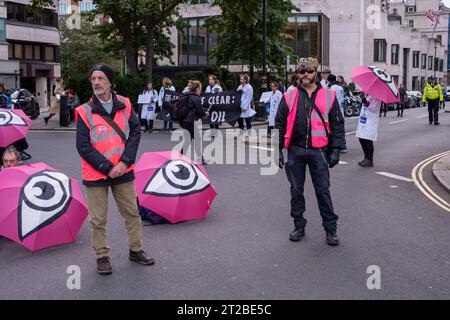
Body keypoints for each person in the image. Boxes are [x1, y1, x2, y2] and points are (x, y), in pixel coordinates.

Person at [76, 63, 154, 275]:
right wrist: (108, 167)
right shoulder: (83, 111)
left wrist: (124, 162)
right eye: (93, 79)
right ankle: (102, 256)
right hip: (96, 174)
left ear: (110, 82)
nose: (96, 82)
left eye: (101, 78)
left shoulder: (126, 104)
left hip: (123, 170)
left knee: (132, 212)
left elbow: (135, 133)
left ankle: (135, 249)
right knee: (98, 219)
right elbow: (83, 146)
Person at [275, 57, 345, 246]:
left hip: (319, 151)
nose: (305, 75)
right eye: (302, 71)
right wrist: (277, 150)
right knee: (296, 191)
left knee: (323, 191)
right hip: (295, 150)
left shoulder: (329, 95)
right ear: (298, 74)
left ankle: (331, 229)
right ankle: (299, 225)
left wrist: (336, 149)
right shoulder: (289, 96)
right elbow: (279, 124)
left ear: (316, 73)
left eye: (309, 71)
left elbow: (337, 124)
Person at [179, 80, 209, 163]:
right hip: (190, 122)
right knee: (197, 139)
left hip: (183, 121)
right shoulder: (195, 97)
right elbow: (199, 111)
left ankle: (181, 155)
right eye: (200, 88)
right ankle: (200, 159)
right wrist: (205, 114)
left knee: (188, 139)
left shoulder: (186, 94)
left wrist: (202, 112)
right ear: (198, 88)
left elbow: (193, 108)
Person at [356, 95, 382, 168]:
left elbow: (374, 108)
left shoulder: (377, 97)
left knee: (367, 139)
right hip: (364, 120)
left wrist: (366, 102)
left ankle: (370, 160)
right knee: (361, 138)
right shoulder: (368, 95)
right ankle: (366, 158)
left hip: (370, 120)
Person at [329, 74, 347, 153]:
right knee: (341, 130)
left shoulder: (333, 88)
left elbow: (330, 99)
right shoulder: (340, 87)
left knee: (336, 130)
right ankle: (343, 145)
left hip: (336, 112)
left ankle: (341, 146)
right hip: (341, 110)